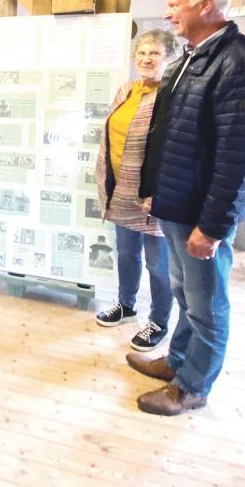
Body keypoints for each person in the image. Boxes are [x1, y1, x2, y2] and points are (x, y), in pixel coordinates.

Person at [128, 0, 245, 416]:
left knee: (207, 304)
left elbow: (239, 157)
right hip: (179, 204)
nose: (168, 13)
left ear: (205, 5)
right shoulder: (193, 57)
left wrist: (211, 227)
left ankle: (193, 387)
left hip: (202, 213)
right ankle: (178, 363)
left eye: (175, 4)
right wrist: (154, 189)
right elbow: (170, 132)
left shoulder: (241, 63)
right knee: (185, 294)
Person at [93, 29, 179, 352]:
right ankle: (126, 305)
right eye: (141, 54)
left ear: (168, 58)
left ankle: (158, 320)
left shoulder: (172, 96)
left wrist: (161, 192)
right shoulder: (126, 90)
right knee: (126, 253)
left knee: (158, 263)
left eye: (154, 54)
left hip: (152, 197)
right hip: (121, 192)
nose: (146, 59)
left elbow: (172, 149)